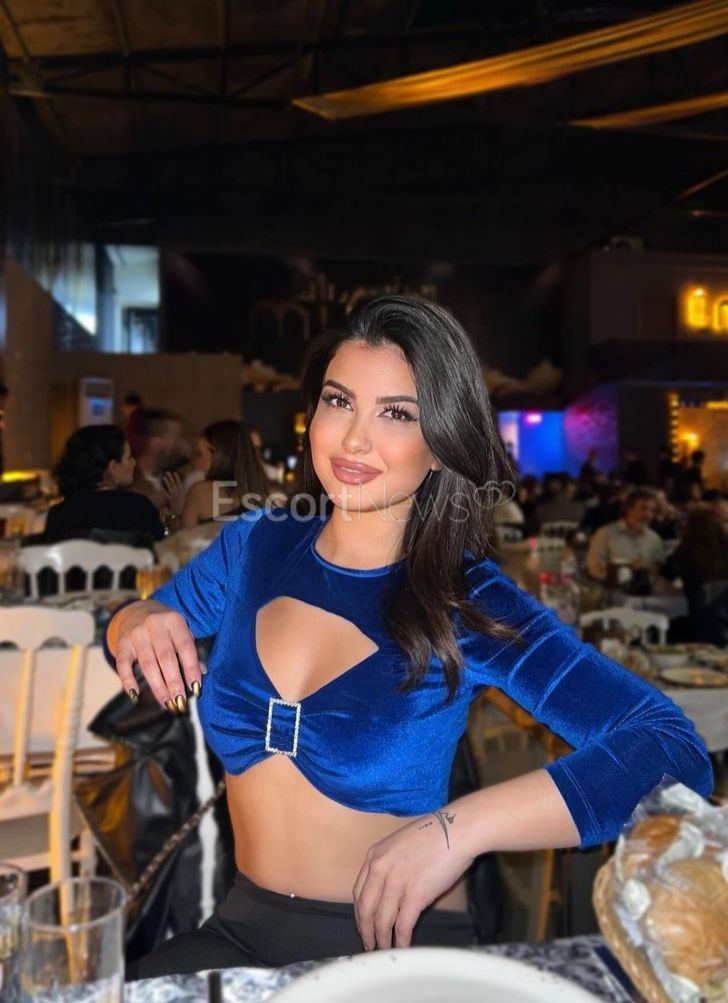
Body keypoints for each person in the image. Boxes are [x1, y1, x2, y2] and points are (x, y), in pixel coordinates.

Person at [105, 297, 711, 978]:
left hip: (393, 947)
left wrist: (462, 828)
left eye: (396, 413)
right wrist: (133, 617)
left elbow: (672, 748)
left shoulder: (466, 598)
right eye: (339, 401)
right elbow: (135, 629)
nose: (353, 440)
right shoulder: (255, 545)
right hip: (239, 927)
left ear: (441, 444)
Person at [45, 424, 163, 543]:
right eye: (129, 457)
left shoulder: (56, 515)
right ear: (113, 467)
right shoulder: (139, 507)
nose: (134, 462)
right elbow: (159, 550)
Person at [181, 421, 273, 529]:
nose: (196, 463)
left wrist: (179, 511)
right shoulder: (260, 493)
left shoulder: (199, 492)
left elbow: (185, 538)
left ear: (217, 454)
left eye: (200, 454)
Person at [585, 488, 665, 582]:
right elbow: (594, 568)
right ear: (628, 509)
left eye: (652, 510)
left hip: (643, 589)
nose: (648, 515)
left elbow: (659, 568)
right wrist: (625, 571)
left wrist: (647, 568)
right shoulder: (606, 533)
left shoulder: (654, 539)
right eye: (643, 509)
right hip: (610, 588)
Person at [127, 408, 189, 524]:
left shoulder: (178, 480)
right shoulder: (128, 481)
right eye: (172, 435)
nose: (178, 443)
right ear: (154, 440)